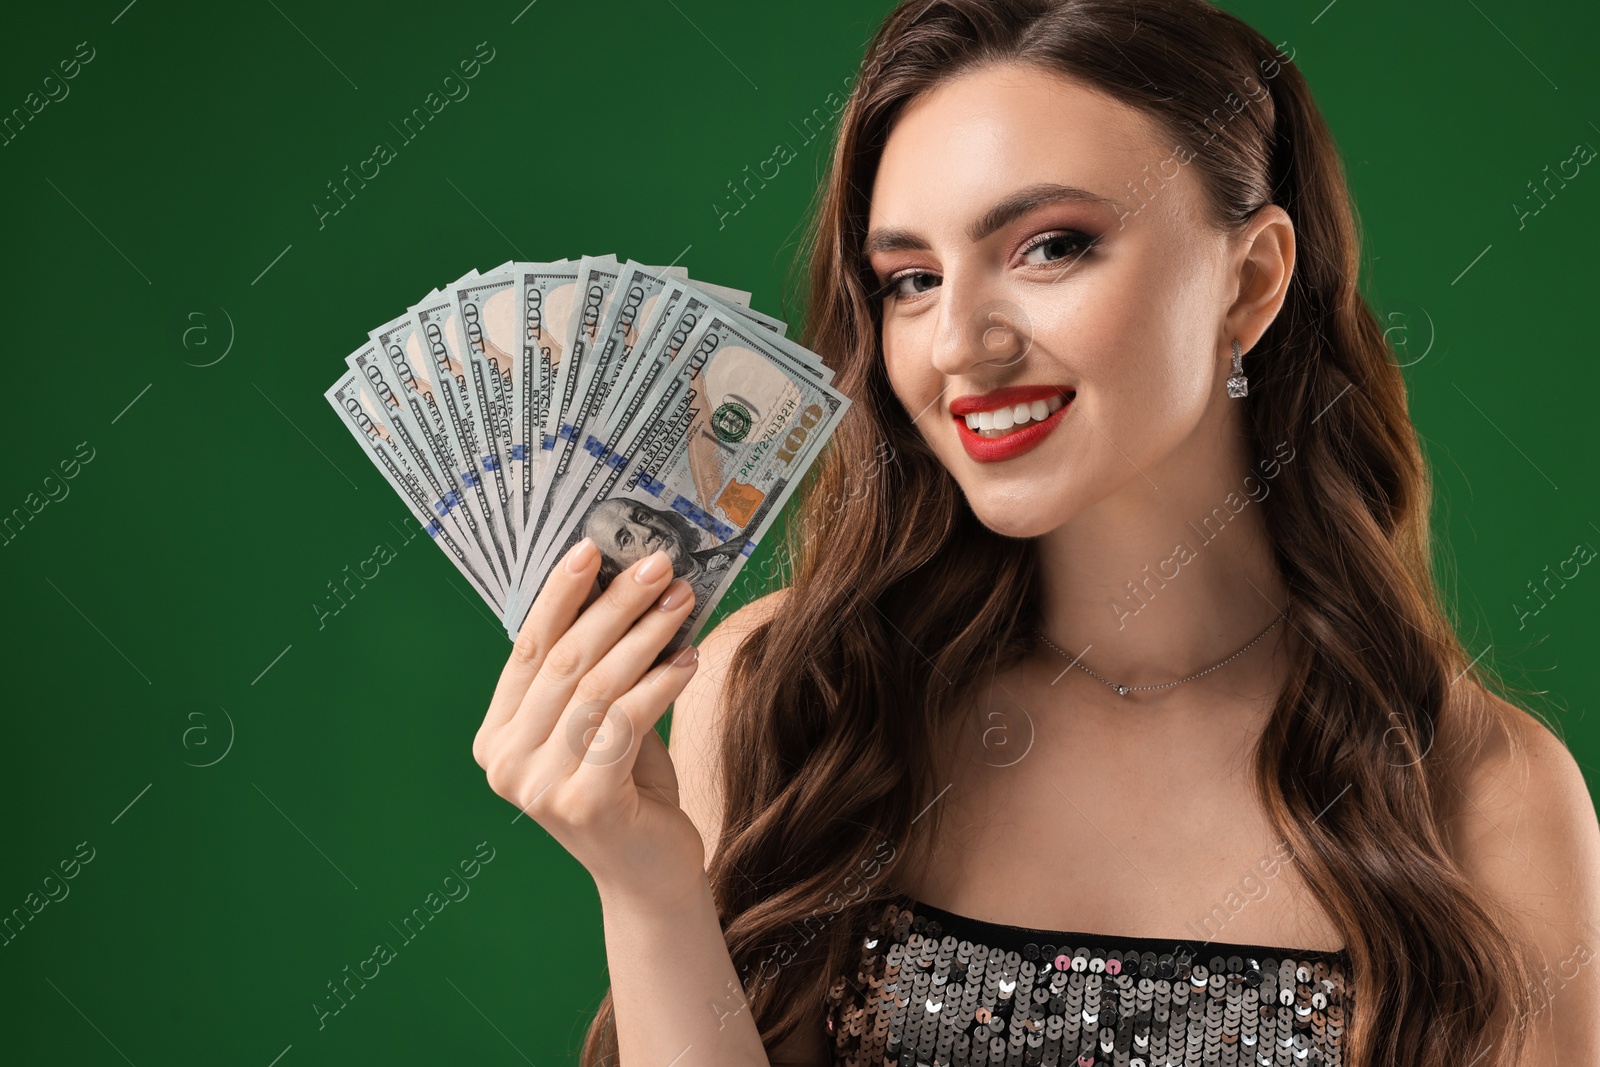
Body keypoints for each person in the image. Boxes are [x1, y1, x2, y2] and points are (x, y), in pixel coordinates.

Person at [471, 1, 1600, 1064]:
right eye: (909, 278)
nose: (958, 341)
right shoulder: (779, 694)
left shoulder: (1482, 792)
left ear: (1250, 281)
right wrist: (645, 879)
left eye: (1049, 246)